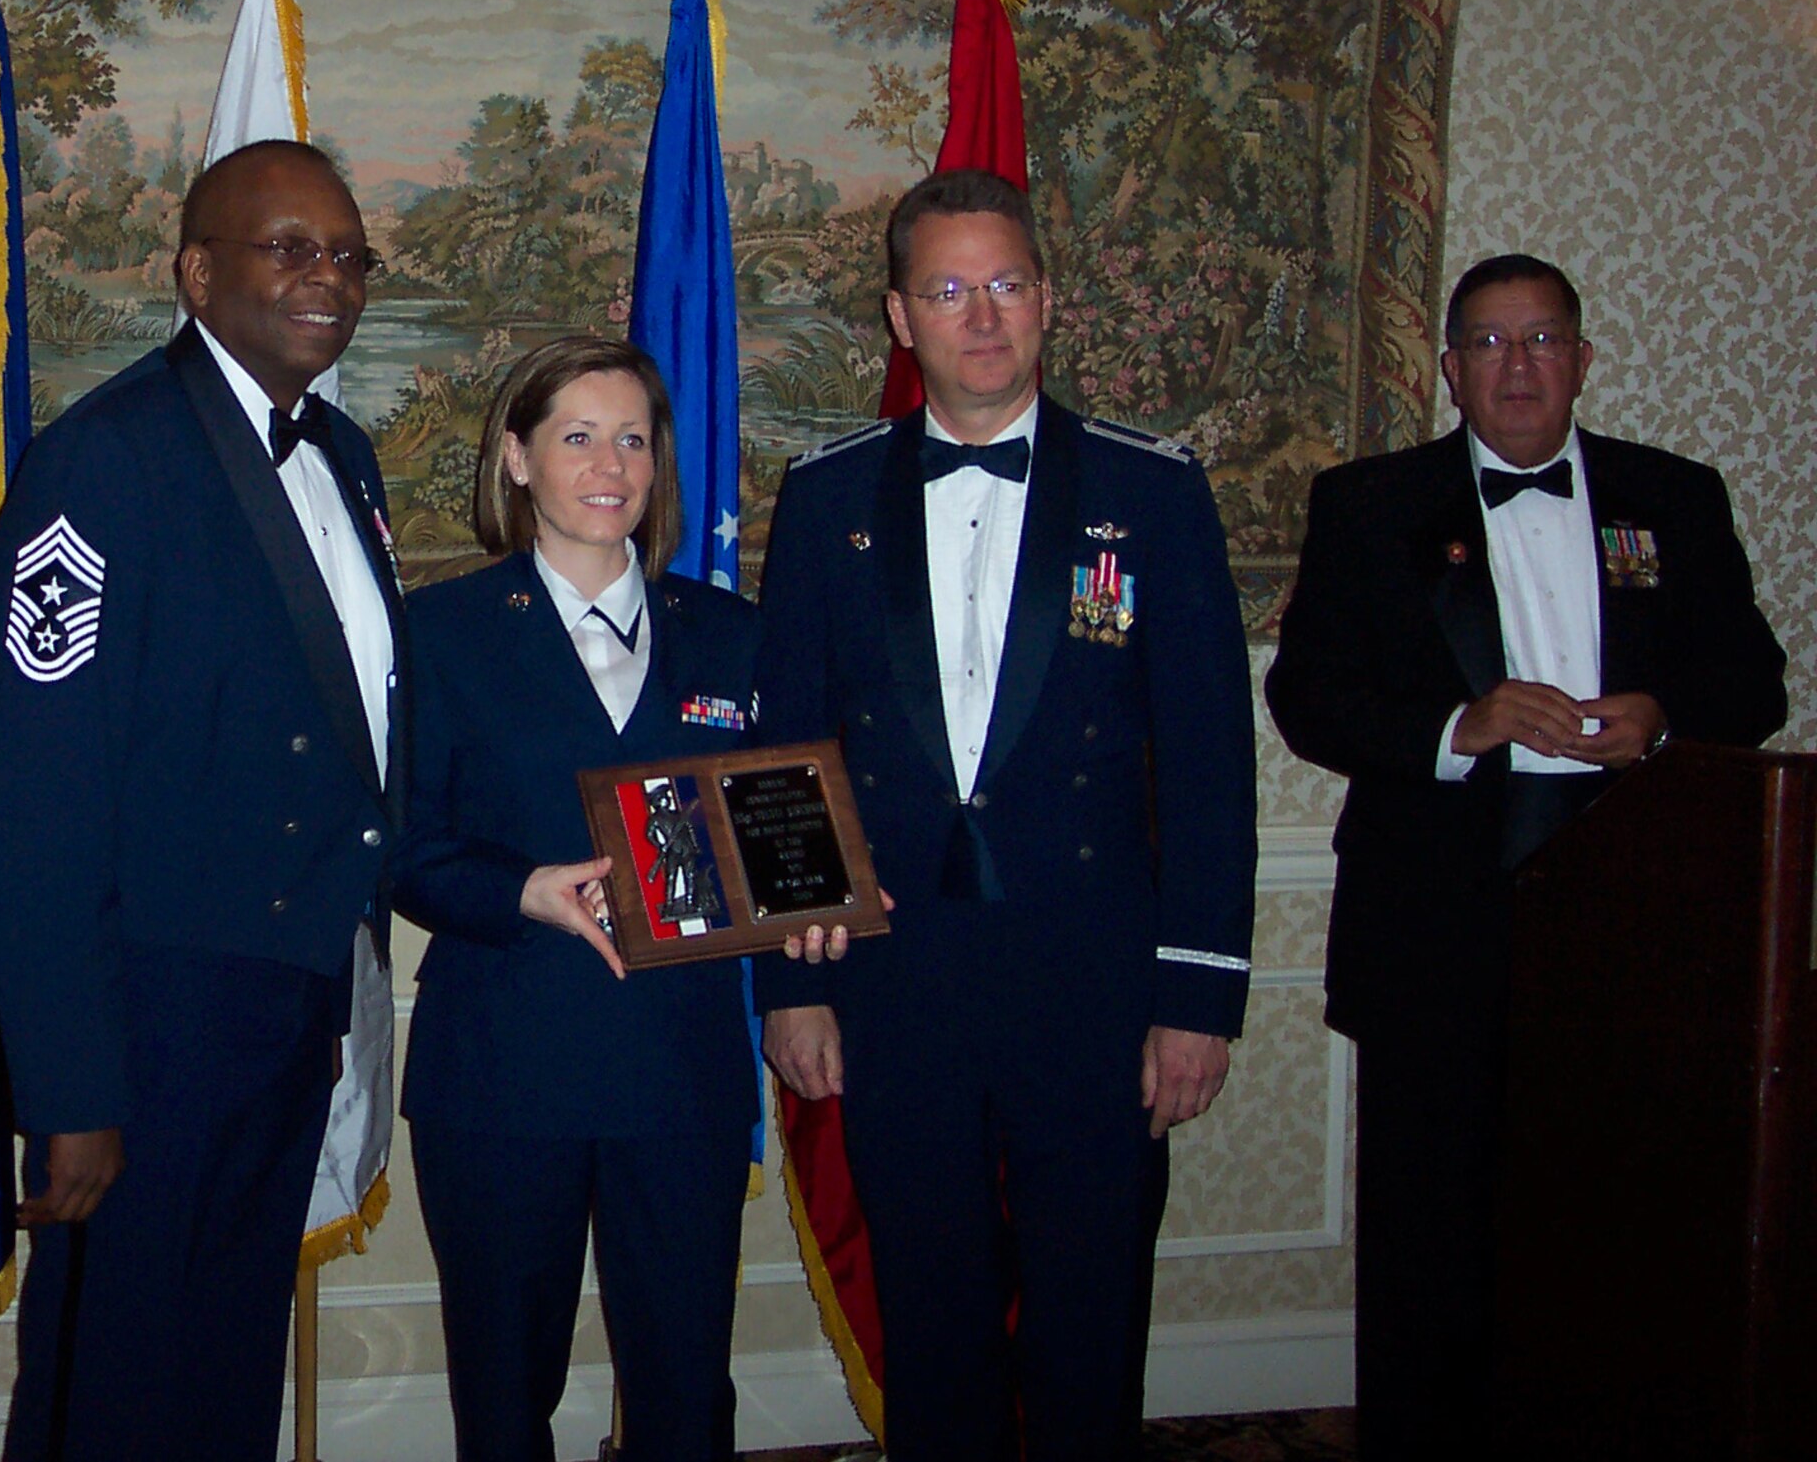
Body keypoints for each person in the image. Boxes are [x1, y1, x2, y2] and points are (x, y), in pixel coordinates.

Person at [753, 169, 1257, 1462]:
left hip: (1095, 983)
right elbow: (786, 755)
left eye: (1007, 285)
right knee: (935, 1322)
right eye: (949, 289)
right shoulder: (825, 499)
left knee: (1092, 1321)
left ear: (1048, 301)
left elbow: (1207, 759)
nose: (983, 316)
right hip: (896, 981)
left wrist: (1198, 994)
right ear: (899, 315)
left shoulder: (1151, 492)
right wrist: (791, 988)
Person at [1264, 251, 1787, 1459]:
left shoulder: (1677, 496)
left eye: (1540, 340)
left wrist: (1660, 714)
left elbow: (1750, 680)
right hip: (1438, 925)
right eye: (1489, 344)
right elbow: (1310, 701)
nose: (1516, 365)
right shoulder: (1368, 504)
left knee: (1609, 1227)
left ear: (1581, 360)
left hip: (1634, 923)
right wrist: (1462, 725)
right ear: (1449, 370)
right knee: (1428, 1246)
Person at [0, 140, 407, 1461]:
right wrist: (72, 1084)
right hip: (150, 1023)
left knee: (222, 1362)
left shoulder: (347, 456)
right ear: (198, 271)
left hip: (280, 1000)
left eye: (346, 254)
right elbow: (38, 798)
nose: (325, 276)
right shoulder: (104, 461)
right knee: (119, 1375)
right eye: (287, 247)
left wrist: (324, 990)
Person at [395, 336, 853, 1462]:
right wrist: (518, 892)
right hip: (501, 1073)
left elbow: (785, 839)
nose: (610, 466)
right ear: (516, 459)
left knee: (687, 1387)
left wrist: (821, 912)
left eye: (634, 439)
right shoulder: (439, 633)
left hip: (678, 1073)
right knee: (504, 1393)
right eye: (577, 437)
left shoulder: (733, 638)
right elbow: (396, 849)